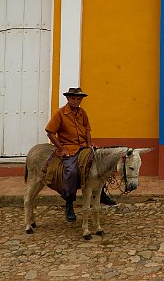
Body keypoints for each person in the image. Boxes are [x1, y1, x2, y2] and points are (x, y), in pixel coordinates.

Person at [45, 87, 115, 222]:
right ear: (68, 98)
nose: (76, 101)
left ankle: (102, 193)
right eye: (73, 98)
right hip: (69, 148)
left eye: (78, 99)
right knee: (71, 171)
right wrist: (61, 148)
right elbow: (50, 132)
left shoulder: (83, 112)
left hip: (83, 147)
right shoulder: (59, 113)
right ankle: (69, 204)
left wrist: (89, 143)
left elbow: (88, 130)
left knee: (100, 162)